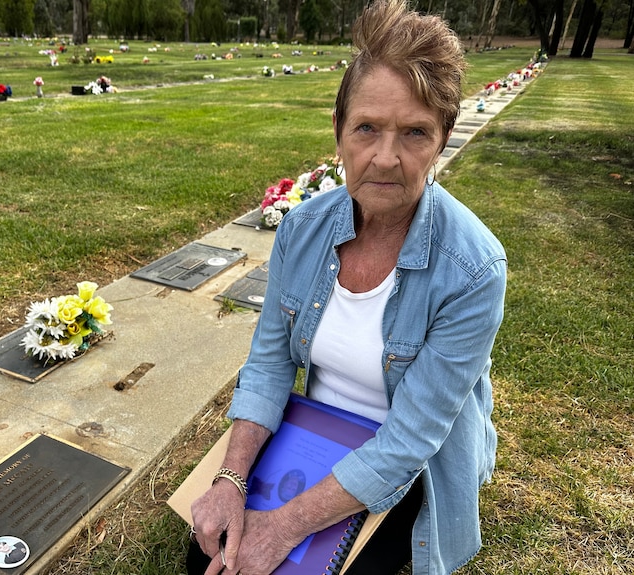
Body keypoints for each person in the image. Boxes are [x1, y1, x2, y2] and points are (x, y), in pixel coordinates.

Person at [188, 1, 507, 574]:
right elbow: (268, 364)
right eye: (367, 128)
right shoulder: (302, 229)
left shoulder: (474, 269)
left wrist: (281, 527)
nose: (386, 158)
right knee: (207, 557)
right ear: (338, 131)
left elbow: (410, 440)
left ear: (442, 140)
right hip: (312, 434)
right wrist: (231, 481)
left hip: (407, 467)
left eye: (414, 133)